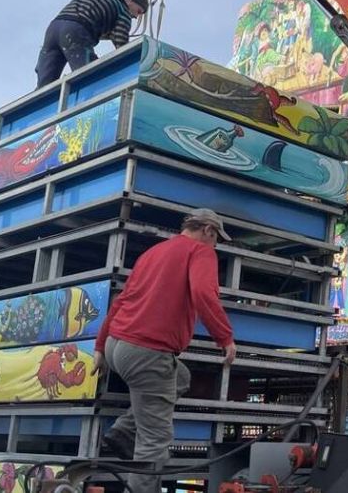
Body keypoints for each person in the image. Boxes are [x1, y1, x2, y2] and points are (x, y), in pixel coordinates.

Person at [93, 208, 237, 493]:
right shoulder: (201, 251)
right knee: (154, 440)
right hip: (147, 351)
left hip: (117, 346)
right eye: (216, 238)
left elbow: (122, 299)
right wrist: (225, 338)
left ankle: (124, 431)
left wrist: (100, 346)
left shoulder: (153, 253)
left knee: (179, 378)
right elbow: (203, 294)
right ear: (208, 230)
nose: (216, 245)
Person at [36, 0, 148, 87]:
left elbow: (92, 19)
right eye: (138, 11)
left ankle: (39, 105)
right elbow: (122, 46)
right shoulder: (122, 10)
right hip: (76, 30)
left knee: (45, 82)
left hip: (53, 28)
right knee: (89, 75)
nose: (135, 16)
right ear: (129, 1)